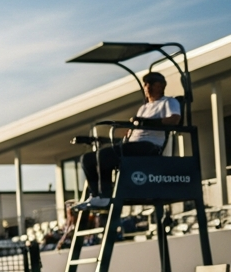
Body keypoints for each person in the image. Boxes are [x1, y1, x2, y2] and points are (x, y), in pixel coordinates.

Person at [75, 71, 182, 210]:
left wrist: (146, 122)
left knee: (104, 156)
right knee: (87, 159)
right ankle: (95, 195)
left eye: (151, 83)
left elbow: (174, 119)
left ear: (161, 85)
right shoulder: (143, 108)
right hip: (133, 144)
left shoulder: (169, 102)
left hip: (150, 145)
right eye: (145, 84)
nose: (147, 87)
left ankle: (105, 196)